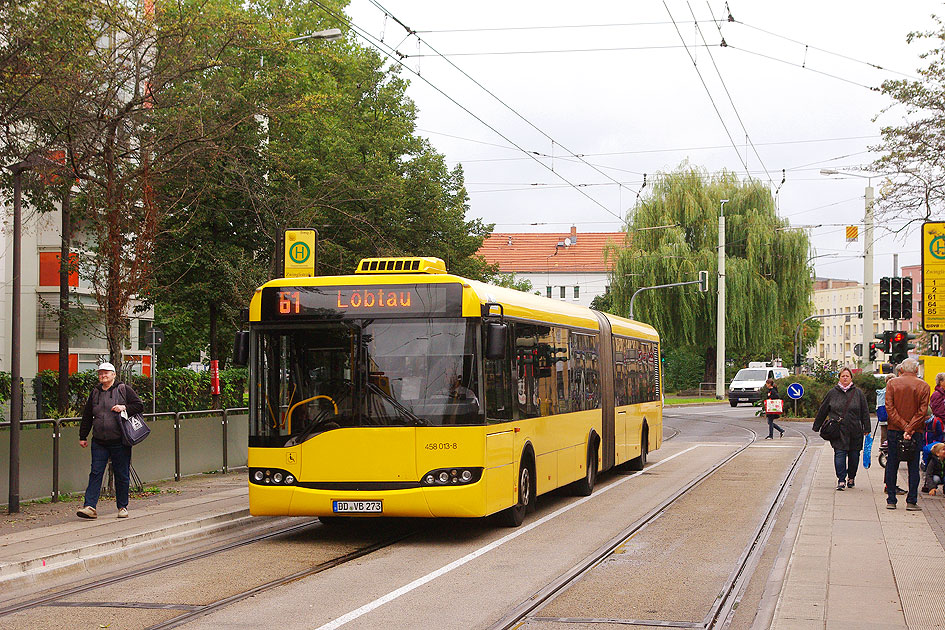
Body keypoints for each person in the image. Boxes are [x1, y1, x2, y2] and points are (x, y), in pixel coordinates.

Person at [76, 362, 144, 519]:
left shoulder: (123, 389)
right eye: (100, 373)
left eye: (106, 373)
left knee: (121, 473)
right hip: (99, 440)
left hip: (120, 440)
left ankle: (122, 507)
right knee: (95, 472)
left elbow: (139, 406)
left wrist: (123, 407)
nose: (103, 375)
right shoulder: (95, 392)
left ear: (114, 375)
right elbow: (87, 415)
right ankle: (90, 506)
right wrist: (83, 436)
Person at [812, 366, 871, 491]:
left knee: (854, 455)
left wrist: (867, 427)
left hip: (855, 430)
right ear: (839, 378)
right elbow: (823, 409)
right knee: (839, 454)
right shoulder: (832, 393)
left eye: (847, 376)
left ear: (851, 378)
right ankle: (841, 479)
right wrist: (817, 425)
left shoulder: (858, 393)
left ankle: (851, 477)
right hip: (838, 430)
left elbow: (865, 411)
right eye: (842, 376)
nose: (845, 378)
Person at [884, 357, 931, 510]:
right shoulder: (924, 386)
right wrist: (910, 428)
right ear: (916, 370)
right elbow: (922, 411)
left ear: (901, 369)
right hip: (915, 431)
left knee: (892, 463)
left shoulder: (892, 383)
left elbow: (889, 409)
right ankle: (911, 500)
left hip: (894, 430)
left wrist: (903, 426)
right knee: (913, 465)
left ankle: (891, 499)